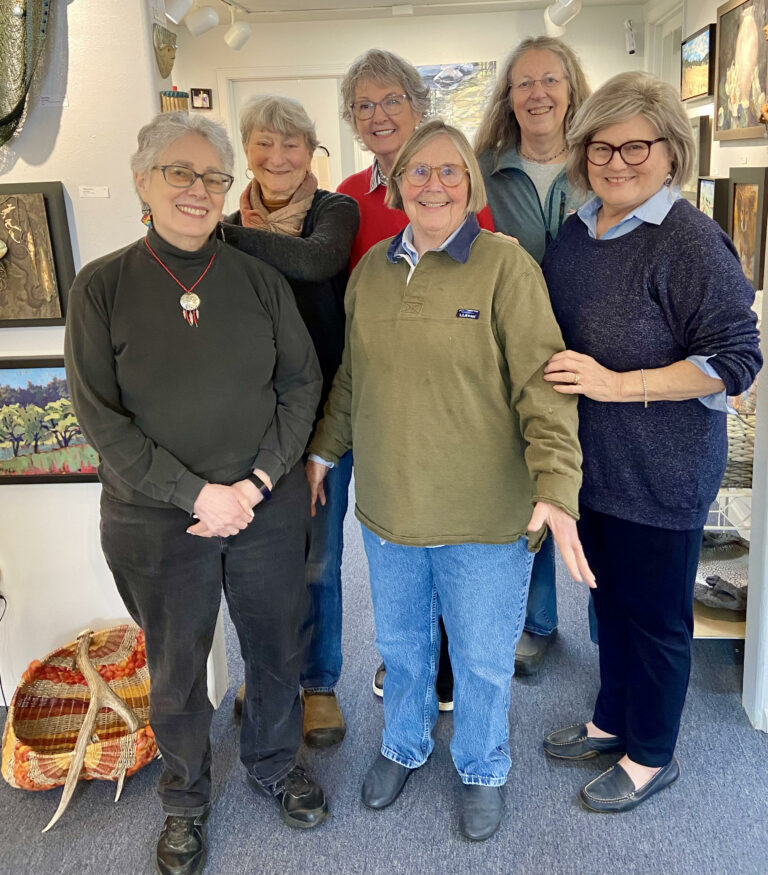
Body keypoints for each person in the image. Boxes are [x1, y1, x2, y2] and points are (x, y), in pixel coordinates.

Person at [307, 120, 594, 841]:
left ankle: (481, 765)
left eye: (449, 172)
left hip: (484, 518)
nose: (433, 184)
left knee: (482, 658)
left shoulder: (506, 267)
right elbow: (351, 379)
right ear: (397, 182)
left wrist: (557, 488)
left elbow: (544, 385)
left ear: (470, 183)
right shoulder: (371, 268)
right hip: (389, 510)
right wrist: (320, 454)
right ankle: (403, 744)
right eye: (419, 172)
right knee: (402, 649)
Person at [64, 112, 328, 875]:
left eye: (212, 176)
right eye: (179, 173)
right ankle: (184, 798)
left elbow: (301, 383)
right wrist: (194, 493)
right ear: (143, 182)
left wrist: (253, 482)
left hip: (264, 506)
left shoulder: (258, 280)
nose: (197, 189)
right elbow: (99, 418)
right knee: (175, 666)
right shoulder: (102, 287)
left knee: (277, 648)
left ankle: (275, 765)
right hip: (153, 516)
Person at [540, 72, 762, 812]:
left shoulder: (691, 240)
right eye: (601, 145)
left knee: (657, 617)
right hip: (592, 466)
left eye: (638, 144)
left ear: (672, 152)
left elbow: (736, 360)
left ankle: (652, 753)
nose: (617, 159)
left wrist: (616, 383)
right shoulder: (576, 232)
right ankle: (612, 719)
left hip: (662, 468)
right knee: (611, 607)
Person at [337, 47, 495, 706]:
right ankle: (411, 658)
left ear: (418, 106)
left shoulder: (460, 188)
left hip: (450, 397)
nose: (378, 114)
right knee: (396, 535)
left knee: (448, 531)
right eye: (364, 105)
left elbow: (487, 280)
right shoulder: (346, 199)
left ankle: (454, 657)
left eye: (391, 100)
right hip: (381, 394)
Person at [222, 94, 359, 748]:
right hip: (254, 421)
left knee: (318, 558)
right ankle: (270, 674)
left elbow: (315, 263)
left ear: (313, 151)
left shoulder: (334, 212)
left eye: (292, 144)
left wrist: (212, 233)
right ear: (245, 148)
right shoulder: (225, 223)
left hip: (324, 417)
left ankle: (320, 684)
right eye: (263, 143)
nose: (278, 157)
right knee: (258, 563)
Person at [475, 36, 591, 675]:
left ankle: (609, 628)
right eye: (524, 83)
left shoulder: (600, 160)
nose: (537, 93)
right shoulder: (484, 167)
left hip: (599, 353)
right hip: (515, 355)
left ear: (572, 88)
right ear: (508, 97)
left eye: (550, 80)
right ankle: (539, 622)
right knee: (534, 487)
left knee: (601, 494)